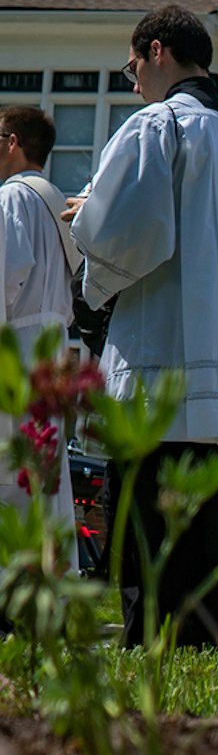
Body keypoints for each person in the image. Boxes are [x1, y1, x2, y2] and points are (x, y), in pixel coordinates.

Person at [71, 5, 218, 651]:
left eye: (133, 67)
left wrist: (87, 234)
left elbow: (125, 238)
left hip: (166, 359)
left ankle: (163, 654)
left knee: (157, 538)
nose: (133, 82)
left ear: (157, 51)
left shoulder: (160, 126)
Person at [0, 108, 79, 533]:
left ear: (12, 142)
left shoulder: (11, 197)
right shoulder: (53, 199)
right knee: (43, 468)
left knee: (12, 473)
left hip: (16, 346)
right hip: (50, 346)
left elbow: (6, 273)